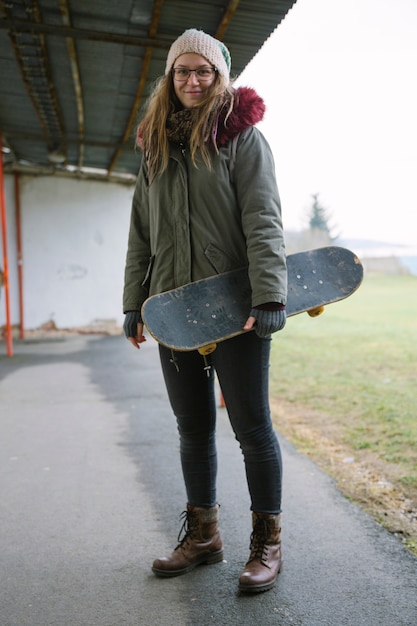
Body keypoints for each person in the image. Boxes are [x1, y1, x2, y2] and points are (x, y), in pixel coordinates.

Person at [123, 29, 287, 594]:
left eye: (204, 71)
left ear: (221, 77)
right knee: (193, 429)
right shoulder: (153, 146)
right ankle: (203, 536)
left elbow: (263, 220)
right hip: (174, 310)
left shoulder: (243, 139)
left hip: (236, 311)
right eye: (182, 71)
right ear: (171, 77)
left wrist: (270, 295)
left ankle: (267, 543)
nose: (193, 80)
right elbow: (140, 231)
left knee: (251, 429)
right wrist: (133, 302)